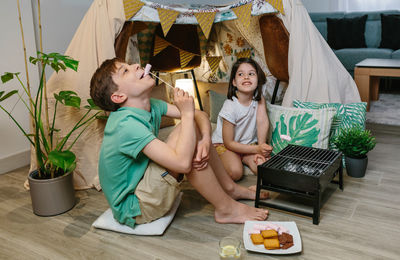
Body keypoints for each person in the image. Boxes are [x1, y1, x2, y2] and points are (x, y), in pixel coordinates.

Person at [89, 58, 269, 228]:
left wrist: (206, 139)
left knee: (191, 130)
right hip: (135, 206)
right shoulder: (126, 125)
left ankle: (230, 189)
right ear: (119, 96)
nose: (136, 65)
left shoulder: (151, 105)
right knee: (188, 133)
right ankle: (226, 209)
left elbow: (200, 115)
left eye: (131, 64)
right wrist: (187, 114)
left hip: (144, 183)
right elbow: (183, 163)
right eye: (125, 70)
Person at [212, 58, 273, 181]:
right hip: (225, 145)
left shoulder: (259, 98)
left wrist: (261, 148)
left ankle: (246, 159)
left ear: (258, 79)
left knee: (265, 167)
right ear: (234, 82)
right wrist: (256, 149)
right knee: (235, 172)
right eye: (241, 74)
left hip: (248, 145)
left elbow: (262, 122)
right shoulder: (230, 106)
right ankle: (214, 163)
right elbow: (229, 142)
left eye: (251, 74)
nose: (246, 77)